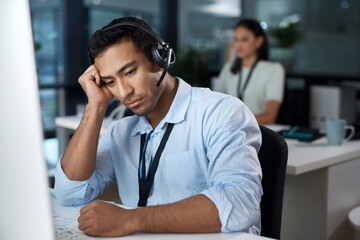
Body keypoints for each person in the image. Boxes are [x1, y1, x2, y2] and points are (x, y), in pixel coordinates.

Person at [54, 16, 263, 237]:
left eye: (129, 72)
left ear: (159, 58)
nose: (124, 92)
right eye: (111, 82)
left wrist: (130, 220)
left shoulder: (221, 112)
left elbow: (240, 204)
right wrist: (95, 107)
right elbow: (69, 193)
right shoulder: (120, 132)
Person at [214, 19, 285, 125]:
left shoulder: (274, 69)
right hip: (230, 131)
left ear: (259, 41)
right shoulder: (229, 68)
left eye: (244, 40)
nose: (238, 45)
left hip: (261, 132)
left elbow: (270, 117)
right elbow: (215, 106)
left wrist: (235, 122)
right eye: (236, 40)